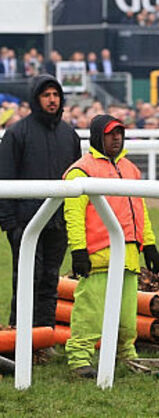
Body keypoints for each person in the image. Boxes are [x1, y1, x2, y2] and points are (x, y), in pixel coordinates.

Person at [62, 114, 159, 378]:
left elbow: (140, 209)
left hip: (129, 254)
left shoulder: (130, 169)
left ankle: (126, 355)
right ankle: (79, 359)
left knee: (127, 316)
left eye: (119, 133)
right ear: (98, 136)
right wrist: (78, 250)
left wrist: (149, 244)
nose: (116, 138)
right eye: (110, 134)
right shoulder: (81, 170)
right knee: (90, 312)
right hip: (98, 254)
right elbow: (73, 214)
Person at [0, 74, 81, 333]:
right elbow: (5, 177)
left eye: (56, 95)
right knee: (27, 279)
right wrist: (10, 224)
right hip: (25, 223)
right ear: (36, 99)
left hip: (59, 222)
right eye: (46, 95)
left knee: (50, 279)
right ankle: (20, 335)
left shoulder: (69, 135)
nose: (52, 100)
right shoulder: (16, 133)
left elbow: (77, 179)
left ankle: (45, 336)